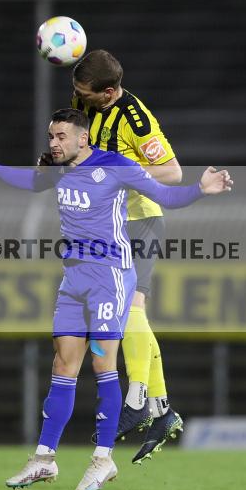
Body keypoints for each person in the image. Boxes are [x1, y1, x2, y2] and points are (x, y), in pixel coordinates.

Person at [0, 108, 232, 490]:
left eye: (60, 137)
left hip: (110, 278)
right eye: (51, 137)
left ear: (82, 139)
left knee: (102, 361)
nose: (53, 144)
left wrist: (200, 190)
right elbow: (33, 182)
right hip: (73, 280)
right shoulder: (58, 168)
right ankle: (43, 458)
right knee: (62, 362)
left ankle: (103, 459)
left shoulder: (117, 166)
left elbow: (166, 196)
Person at [69, 49, 185, 463]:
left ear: (111, 91)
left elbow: (173, 173)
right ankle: (161, 409)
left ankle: (137, 399)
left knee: (127, 308)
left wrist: (121, 173)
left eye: (86, 92)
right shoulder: (86, 103)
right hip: (106, 228)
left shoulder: (136, 119)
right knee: (133, 314)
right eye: (76, 89)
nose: (78, 96)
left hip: (140, 220)